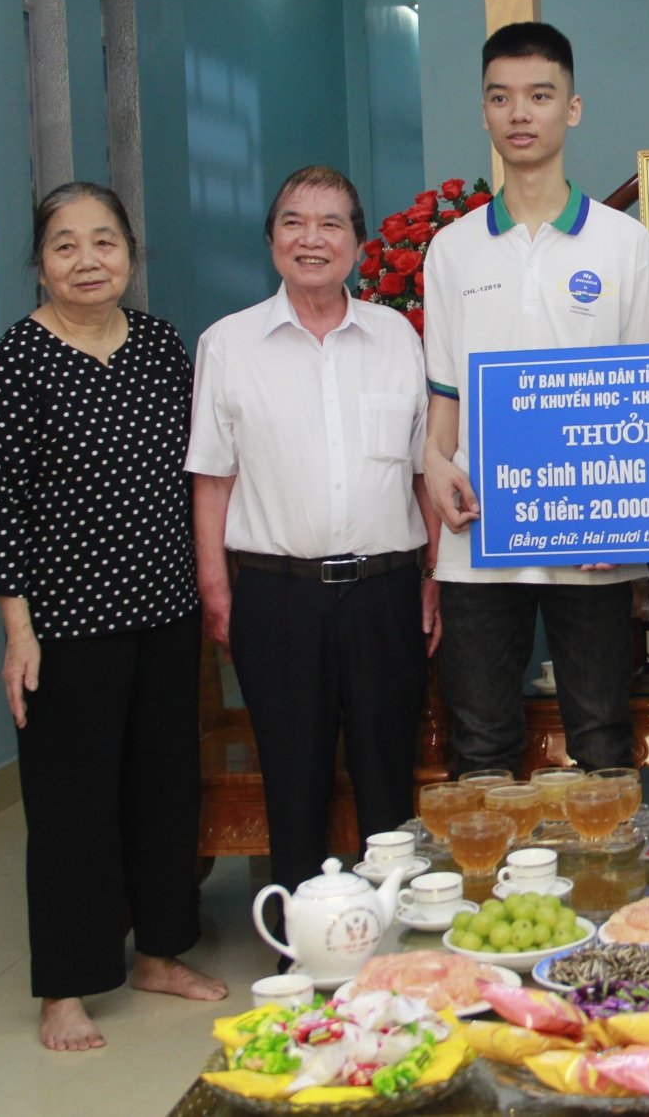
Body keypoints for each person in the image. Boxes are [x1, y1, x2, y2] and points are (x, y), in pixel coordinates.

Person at [0, 182, 227, 1051]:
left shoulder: (160, 347)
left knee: (164, 787)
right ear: (39, 261)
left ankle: (159, 951)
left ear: (130, 253)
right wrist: (17, 631)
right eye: (66, 245)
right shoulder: (16, 363)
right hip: (65, 624)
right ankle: (67, 987)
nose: (88, 260)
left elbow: (200, 475)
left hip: (163, 607)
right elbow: (0, 506)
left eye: (105, 241)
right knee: (71, 803)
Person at [187, 165, 438, 894]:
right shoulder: (229, 344)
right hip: (276, 594)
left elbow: (426, 472)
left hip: (386, 592)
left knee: (386, 777)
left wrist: (432, 579)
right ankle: (303, 941)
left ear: (358, 244)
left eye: (331, 223)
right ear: (271, 240)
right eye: (294, 222)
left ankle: (392, 935)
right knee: (292, 779)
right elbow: (212, 477)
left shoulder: (397, 338)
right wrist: (216, 587)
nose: (312, 238)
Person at [420, 22, 649, 774]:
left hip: (592, 540)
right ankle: (487, 895)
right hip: (479, 538)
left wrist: (628, 521)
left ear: (573, 108)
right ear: (484, 111)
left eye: (539, 95)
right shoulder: (451, 247)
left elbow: (646, 399)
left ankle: (606, 889)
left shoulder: (623, 242)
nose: (520, 113)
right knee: (481, 743)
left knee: (601, 738)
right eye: (501, 97)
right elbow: (444, 395)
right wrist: (432, 465)